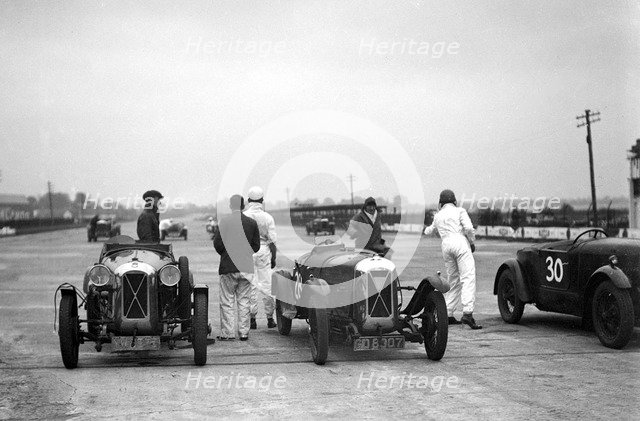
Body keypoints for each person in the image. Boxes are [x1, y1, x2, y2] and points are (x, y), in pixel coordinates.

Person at [423, 189, 481, 329]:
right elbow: (468, 228)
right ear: (454, 201)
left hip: (446, 246)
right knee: (467, 277)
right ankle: (467, 313)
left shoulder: (438, 215)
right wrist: (472, 242)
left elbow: (428, 231)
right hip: (460, 243)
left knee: (453, 280)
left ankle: (448, 313)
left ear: (440, 203)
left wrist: (425, 229)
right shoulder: (460, 211)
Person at [214, 195, 260, 341]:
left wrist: (227, 253)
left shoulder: (225, 221)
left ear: (230, 206)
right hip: (246, 266)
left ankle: (228, 333)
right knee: (244, 300)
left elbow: (218, 244)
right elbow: (256, 246)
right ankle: (244, 332)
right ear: (243, 205)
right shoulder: (252, 223)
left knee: (227, 301)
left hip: (228, 266)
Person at [243, 186, 278, 329]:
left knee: (250, 285)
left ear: (249, 200)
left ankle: (252, 319)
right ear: (262, 200)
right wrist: (273, 258)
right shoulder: (268, 217)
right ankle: (270, 318)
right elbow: (273, 241)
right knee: (267, 285)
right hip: (264, 251)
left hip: (248, 251)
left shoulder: (244, 216)